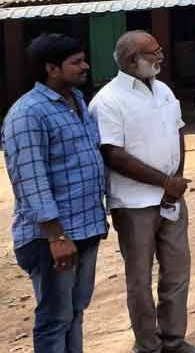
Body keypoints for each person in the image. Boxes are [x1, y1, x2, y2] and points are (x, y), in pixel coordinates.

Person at [89, 31, 195, 353]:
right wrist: (163, 182)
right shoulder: (108, 100)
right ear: (131, 60)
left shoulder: (164, 90)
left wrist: (176, 180)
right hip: (133, 203)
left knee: (177, 272)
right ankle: (148, 345)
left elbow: (177, 133)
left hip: (171, 199)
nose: (161, 56)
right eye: (154, 52)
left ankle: (174, 339)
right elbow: (113, 154)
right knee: (139, 281)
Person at [3, 34, 107, 353]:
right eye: (76, 62)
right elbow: (31, 180)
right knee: (54, 318)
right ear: (51, 69)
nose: (85, 66)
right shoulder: (28, 113)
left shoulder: (76, 100)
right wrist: (56, 238)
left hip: (85, 228)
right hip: (54, 238)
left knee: (74, 313)